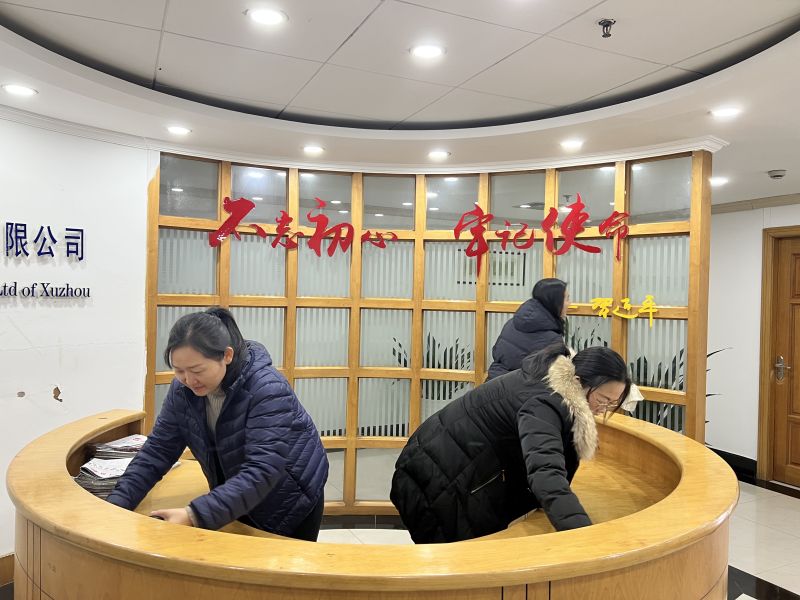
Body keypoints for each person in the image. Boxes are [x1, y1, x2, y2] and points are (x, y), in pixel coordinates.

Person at [107, 308, 328, 541]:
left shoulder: (266, 388)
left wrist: (194, 515)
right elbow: (158, 450)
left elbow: (263, 469)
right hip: (238, 493)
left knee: (281, 563)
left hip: (289, 497)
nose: (188, 380)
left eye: (197, 370)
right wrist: (116, 505)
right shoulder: (182, 391)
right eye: (179, 370)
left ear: (227, 356)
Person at [390, 342, 631, 543]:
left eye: (613, 403)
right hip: (438, 476)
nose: (604, 409)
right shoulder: (545, 402)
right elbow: (546, 471)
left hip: (443, 463)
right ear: (578, 381)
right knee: (456, 570)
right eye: (603, 399)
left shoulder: (551, 381)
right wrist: (586, 538)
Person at [487, 278, 570, 380]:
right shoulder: (552, 340)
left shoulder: (512, 323)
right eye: (566, 299)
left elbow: (497, 352)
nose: (569, 304)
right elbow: (553, 379)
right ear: (555, 301)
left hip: (493, 383)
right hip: (518, 388)